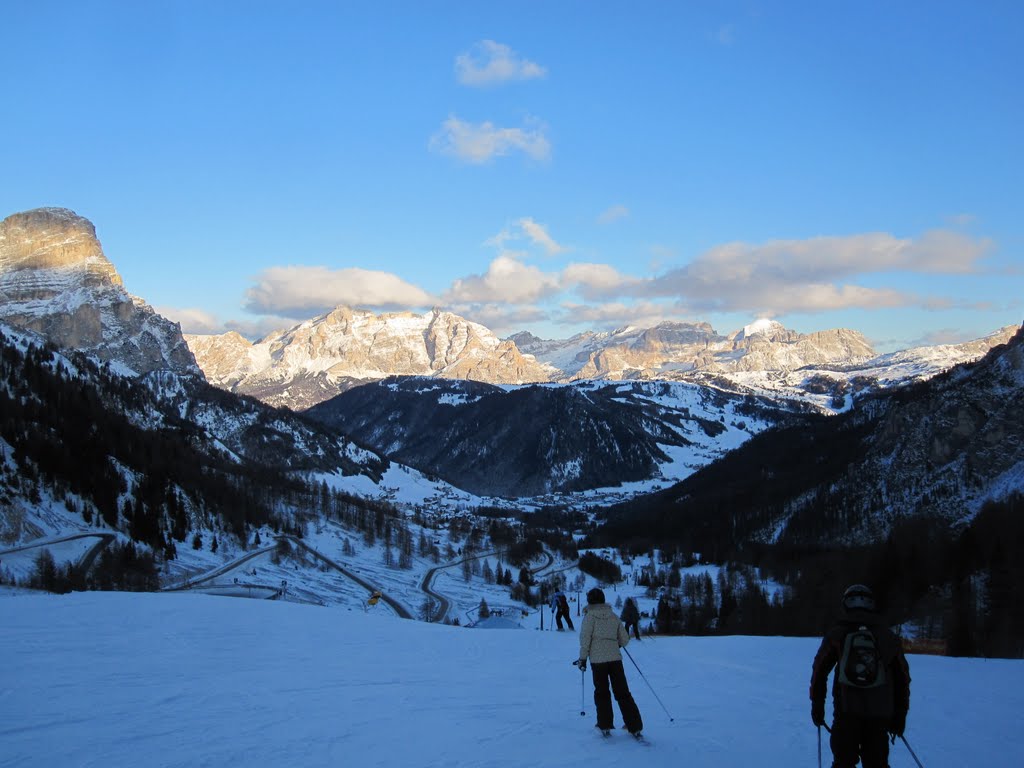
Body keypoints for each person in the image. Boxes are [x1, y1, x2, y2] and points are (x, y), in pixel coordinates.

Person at [809, 584, 911, 768]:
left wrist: (817, 705)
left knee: (844, 762)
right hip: (880, 714)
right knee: (876, 763)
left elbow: (819, 671)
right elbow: (902, 678)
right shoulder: (888, 637)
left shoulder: (837, 634)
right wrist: (900, 714)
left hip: (846, 711)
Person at [575, 588, 643, 737]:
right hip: (615, 660)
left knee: (602, 692)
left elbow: (585, 640)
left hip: (598, 661)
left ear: (590, 601)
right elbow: (625, 640)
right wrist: (614, 643)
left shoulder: (589, 617)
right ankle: (635, 725)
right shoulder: (613, 616)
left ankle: (604, 725)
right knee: (623, 692)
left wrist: (582, 659)